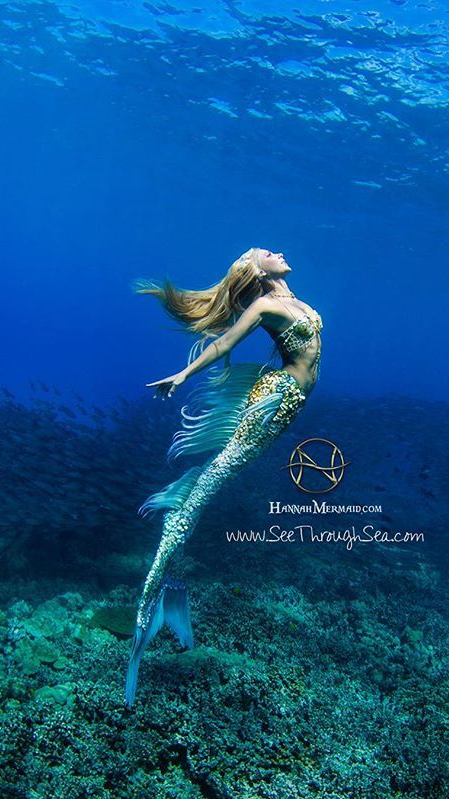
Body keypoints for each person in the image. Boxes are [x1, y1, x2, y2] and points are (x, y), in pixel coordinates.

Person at [125, 247, 323, 704]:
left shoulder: (292, 300)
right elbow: (224, 344)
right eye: (264, 252)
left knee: (212, 484)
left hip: (284, 400)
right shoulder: (266, 306)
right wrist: (181, 374)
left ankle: (166, 586)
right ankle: (147, 610)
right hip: (274, 401)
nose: (276, 251)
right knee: (207, 486)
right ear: (255, 269)